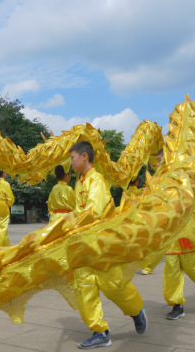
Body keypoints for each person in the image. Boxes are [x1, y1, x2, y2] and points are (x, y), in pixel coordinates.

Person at [69, 141, 147, 349]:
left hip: (101, 244)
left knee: (113, 286)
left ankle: (136, 310)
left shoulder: (97, 181)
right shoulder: (79, 182)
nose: (71, 162)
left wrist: (70, 221)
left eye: (72, 158)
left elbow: (93, 212)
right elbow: (78, 211)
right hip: (82, 244)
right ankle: (100, 331)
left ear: (84, 156)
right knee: (82, 286)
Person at [163, 207, 195, 320]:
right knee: (171, 271)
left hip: (187, 233)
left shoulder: (190, 192)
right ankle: (177, 305)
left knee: (191, 268)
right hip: (170, 236)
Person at [0, 169, 15, 246]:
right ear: (3, 173)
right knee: (1, 229)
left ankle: (6, 248)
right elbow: (10, 199)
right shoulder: (5, 184)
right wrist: (7, 205)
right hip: (2, 208)